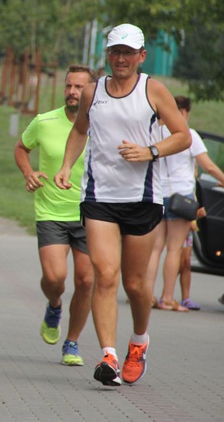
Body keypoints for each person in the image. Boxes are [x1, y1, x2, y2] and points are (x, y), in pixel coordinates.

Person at [55, 23, 191, 387]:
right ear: (108, 55)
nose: (121, 59)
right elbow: (80, 130)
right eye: (115, 52)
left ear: (141, 57)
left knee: (134, 284)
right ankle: (109, 356)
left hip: (143, 198)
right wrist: (67, 164)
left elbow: (182, 136)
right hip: (99, 198)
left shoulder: (154, 90)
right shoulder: (91, 91)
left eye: (128, 53)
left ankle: (138, 342)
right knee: (105, 275)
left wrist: (150, 151)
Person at [14, 65, 97, 366]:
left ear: (91, 91)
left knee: (87, 281)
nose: (73, 92)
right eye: (69, 86)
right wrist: (28, 172)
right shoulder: (44, 121)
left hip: (91, 212)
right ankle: (54, 305)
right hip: (51, 210)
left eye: (79, 87)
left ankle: (72, 343)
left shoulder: (101, 123)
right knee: (55, 277)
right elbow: (21, 148)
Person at [147, 95, 224, 311]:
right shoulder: (189, 135)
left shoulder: (156, 133)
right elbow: (208, 166)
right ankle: (168, 298)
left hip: (158, 194)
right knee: (174, 249)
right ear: (183, 113)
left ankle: (147, 295)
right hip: (181, 196)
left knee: (155, 249)